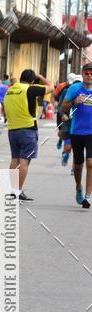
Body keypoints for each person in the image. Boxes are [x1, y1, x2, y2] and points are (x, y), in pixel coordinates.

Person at [2, 68, 53, 201]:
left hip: (12, 130)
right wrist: (41, 76)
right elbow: (51, 87)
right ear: (32, 80)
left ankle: (13, 190)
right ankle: (17, 191)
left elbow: (4, 108)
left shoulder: (11, 90)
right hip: (28, 130)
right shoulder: (30, 89)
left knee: (15, 160)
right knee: (25, 161)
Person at [62, 62, 92, 208]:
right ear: (83, 73)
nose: (89, 75)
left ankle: (88, 196)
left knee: (91, 163)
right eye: (86, 72)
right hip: (77, 131)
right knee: (79, 165)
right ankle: (78, 187)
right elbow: (64, 106)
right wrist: (75, 101)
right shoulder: (75, 88)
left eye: (91, 73)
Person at [56, 73, 80, 166]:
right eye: (75, 83)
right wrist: (62, 114)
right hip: (67, 122)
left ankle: (74, 168)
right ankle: (65, 154)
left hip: (79, 124)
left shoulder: (85, 93)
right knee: (68, 147)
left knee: (77, 150)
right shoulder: (66, 91)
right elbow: (60, 106)